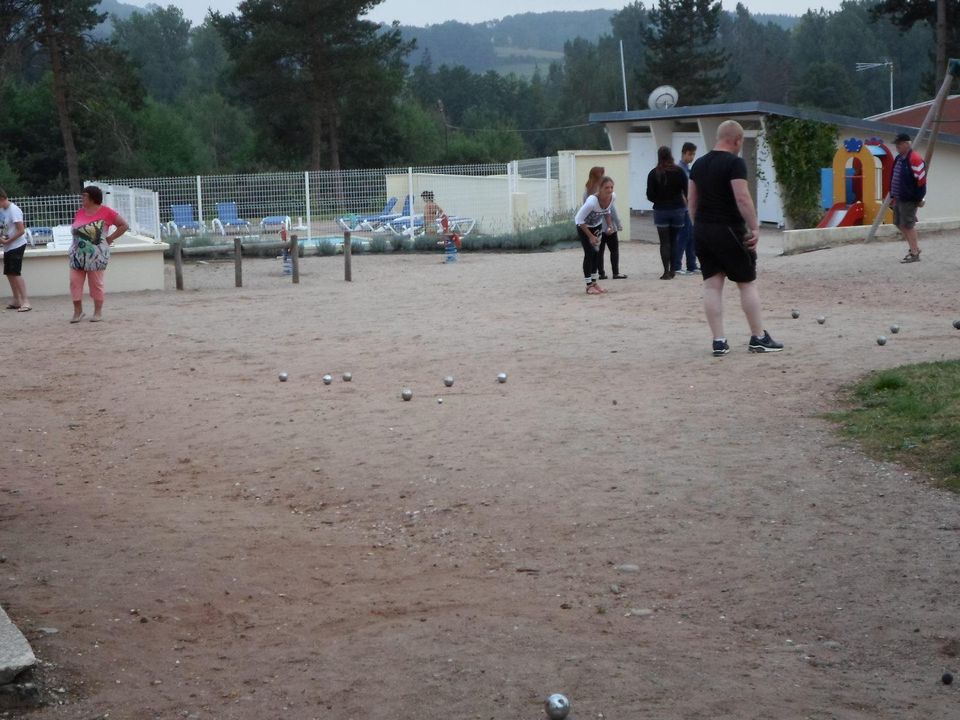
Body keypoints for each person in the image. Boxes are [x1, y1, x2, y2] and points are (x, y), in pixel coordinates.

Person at [687, 120, 783, 356]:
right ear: (737, 140)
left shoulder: (698, 164)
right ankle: (758, 336)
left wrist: (698, 226)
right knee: (746, 282)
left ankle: (719, 341)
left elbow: (692, 202)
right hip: (728, 228)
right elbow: (742, 197)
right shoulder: (734, 162)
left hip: (703, 229)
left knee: (712, 284)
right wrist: (755, 227)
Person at [69, 185, 129, 323]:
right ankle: (78, 311)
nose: (82, 198)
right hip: (77, 254)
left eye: (84, 196)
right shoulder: (79, 212)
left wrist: (110, 238)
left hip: (96, 255)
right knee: (74, 282)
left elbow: (124, 225)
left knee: (96, 283)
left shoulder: (107, 212)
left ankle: (98, 312)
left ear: (93, 198)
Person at [646, 146, 687, 280]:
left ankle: (665, 271)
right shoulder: (680, 171)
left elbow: (650, 195)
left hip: (661, 210)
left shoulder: (653, 173)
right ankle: (673, 269)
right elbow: (686, 191)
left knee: (664, 242)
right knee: (674, 240)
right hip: (677, 209)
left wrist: (659, 199)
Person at [574, 176, 617, 295]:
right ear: (600, 188)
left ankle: (594, 282)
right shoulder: (592, 201)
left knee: (597, 254)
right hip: (584, 227)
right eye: (606, 187)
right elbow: (578, 219)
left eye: (611, 187)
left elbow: (607, 211)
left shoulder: (612, 197)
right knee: (589, 254)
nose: (609, 190)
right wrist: (590, 236)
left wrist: (609, 226)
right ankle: (588, 285)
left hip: (597, 226)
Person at [890, 132, 926, 263]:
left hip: (908, 199)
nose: (897, 147)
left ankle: (915, 252)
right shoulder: (899, 158)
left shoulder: (915, 159)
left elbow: (921, 181)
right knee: (899, 223)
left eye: (899, 144)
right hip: (898, 197)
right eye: (896, 144)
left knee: (907, 225)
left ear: (906, 144)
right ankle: (914, 249)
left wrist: (917, 198)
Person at [583, 166, 626, 279]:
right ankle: (615, 272)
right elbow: (611, 209)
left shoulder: (587, 191)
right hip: (607, 224)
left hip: (595, 226)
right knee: (614, 249)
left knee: (599, 251)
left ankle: (601, 273)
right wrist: (617, 223)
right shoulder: (605, 191)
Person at [0, 188, 31, 312]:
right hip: (8, 245)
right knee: (9, 272)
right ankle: (16, 299)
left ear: (1, 198)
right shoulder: (2, 209)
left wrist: (8, 241)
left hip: (16, 245)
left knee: (15, 272)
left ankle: (26, 301)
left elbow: (21, 230)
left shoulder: (14, 210)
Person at [674, 142, 699, 275]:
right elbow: (679, 189)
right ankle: (677, 265)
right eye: (690, 154)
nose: (692, 157)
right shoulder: (679, 169)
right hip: (683, 208)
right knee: (683, 236)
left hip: (689, 207)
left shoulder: (688, 169)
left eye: (693, 154)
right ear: (684, 153)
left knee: (691, 236)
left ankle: (691, 264)